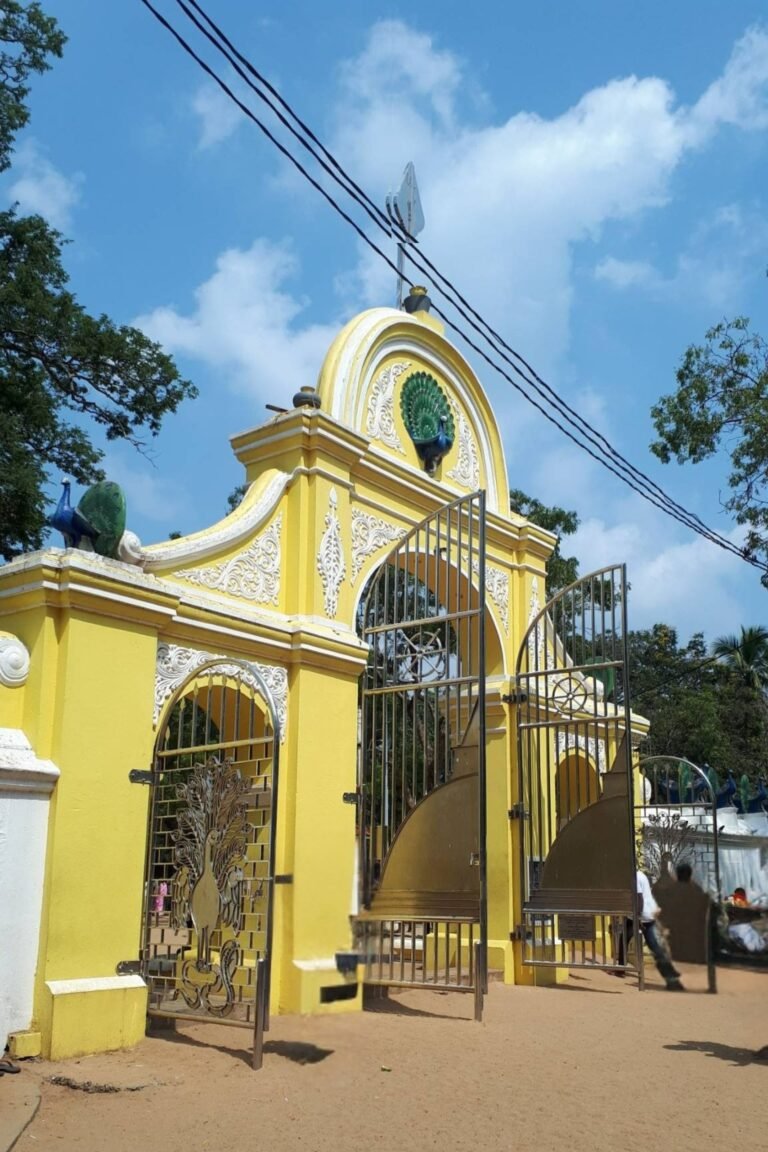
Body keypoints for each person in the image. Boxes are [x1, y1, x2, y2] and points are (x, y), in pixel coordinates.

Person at [615, 870, 685, 990]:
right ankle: (670, 971)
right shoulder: (640, 874)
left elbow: (639, 899)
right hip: (648, 914)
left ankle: (620, 969)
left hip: (640, 915)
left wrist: (637, 918)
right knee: (653, 945)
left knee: (625, 938)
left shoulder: (634, 877)